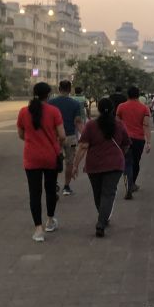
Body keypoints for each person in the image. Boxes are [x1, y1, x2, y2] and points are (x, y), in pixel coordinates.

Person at [72, 98, 131, 238]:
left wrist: (75, 165)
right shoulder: (119, 125)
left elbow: (83, 147)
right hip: (115, 164)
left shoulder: (91, 125)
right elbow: (126, 144)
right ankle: (102, 220)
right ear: (113, 109)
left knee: (98, 194)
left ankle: (102, 220)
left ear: (98, 109)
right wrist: (120, 154)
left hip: (94, 165)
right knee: (108, 194)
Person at [17, 82, 65, 242]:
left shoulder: (24, 112)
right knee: (50, 190)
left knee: (34, 193)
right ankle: (50, 220)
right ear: (49, 95)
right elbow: (62, 135)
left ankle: (38, 230)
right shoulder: (54, 111)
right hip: (50, 156)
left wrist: (32, 140)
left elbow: (21, 134)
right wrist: (55, 142)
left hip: (31, 156)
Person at [48, 80, 84, 196]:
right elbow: (78, 121)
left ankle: (54, 183)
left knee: (53, 161)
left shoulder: (51, 103)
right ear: (70, 89)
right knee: (69, 162)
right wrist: (84, 135)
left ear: (59, 89)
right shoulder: (75, 104)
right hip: (70, 137)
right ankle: (66, 187)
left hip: (54, 137)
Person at [116, 86, 152, 199]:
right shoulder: (144, 108)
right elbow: (146, 125)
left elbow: (117, 124)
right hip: (138, 140)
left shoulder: (121, 107)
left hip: (124, 139)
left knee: (127, 163)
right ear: (138, 95)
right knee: (135, 162)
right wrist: (149, 142)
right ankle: (132, 184)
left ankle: (129, 186)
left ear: (128, 94)